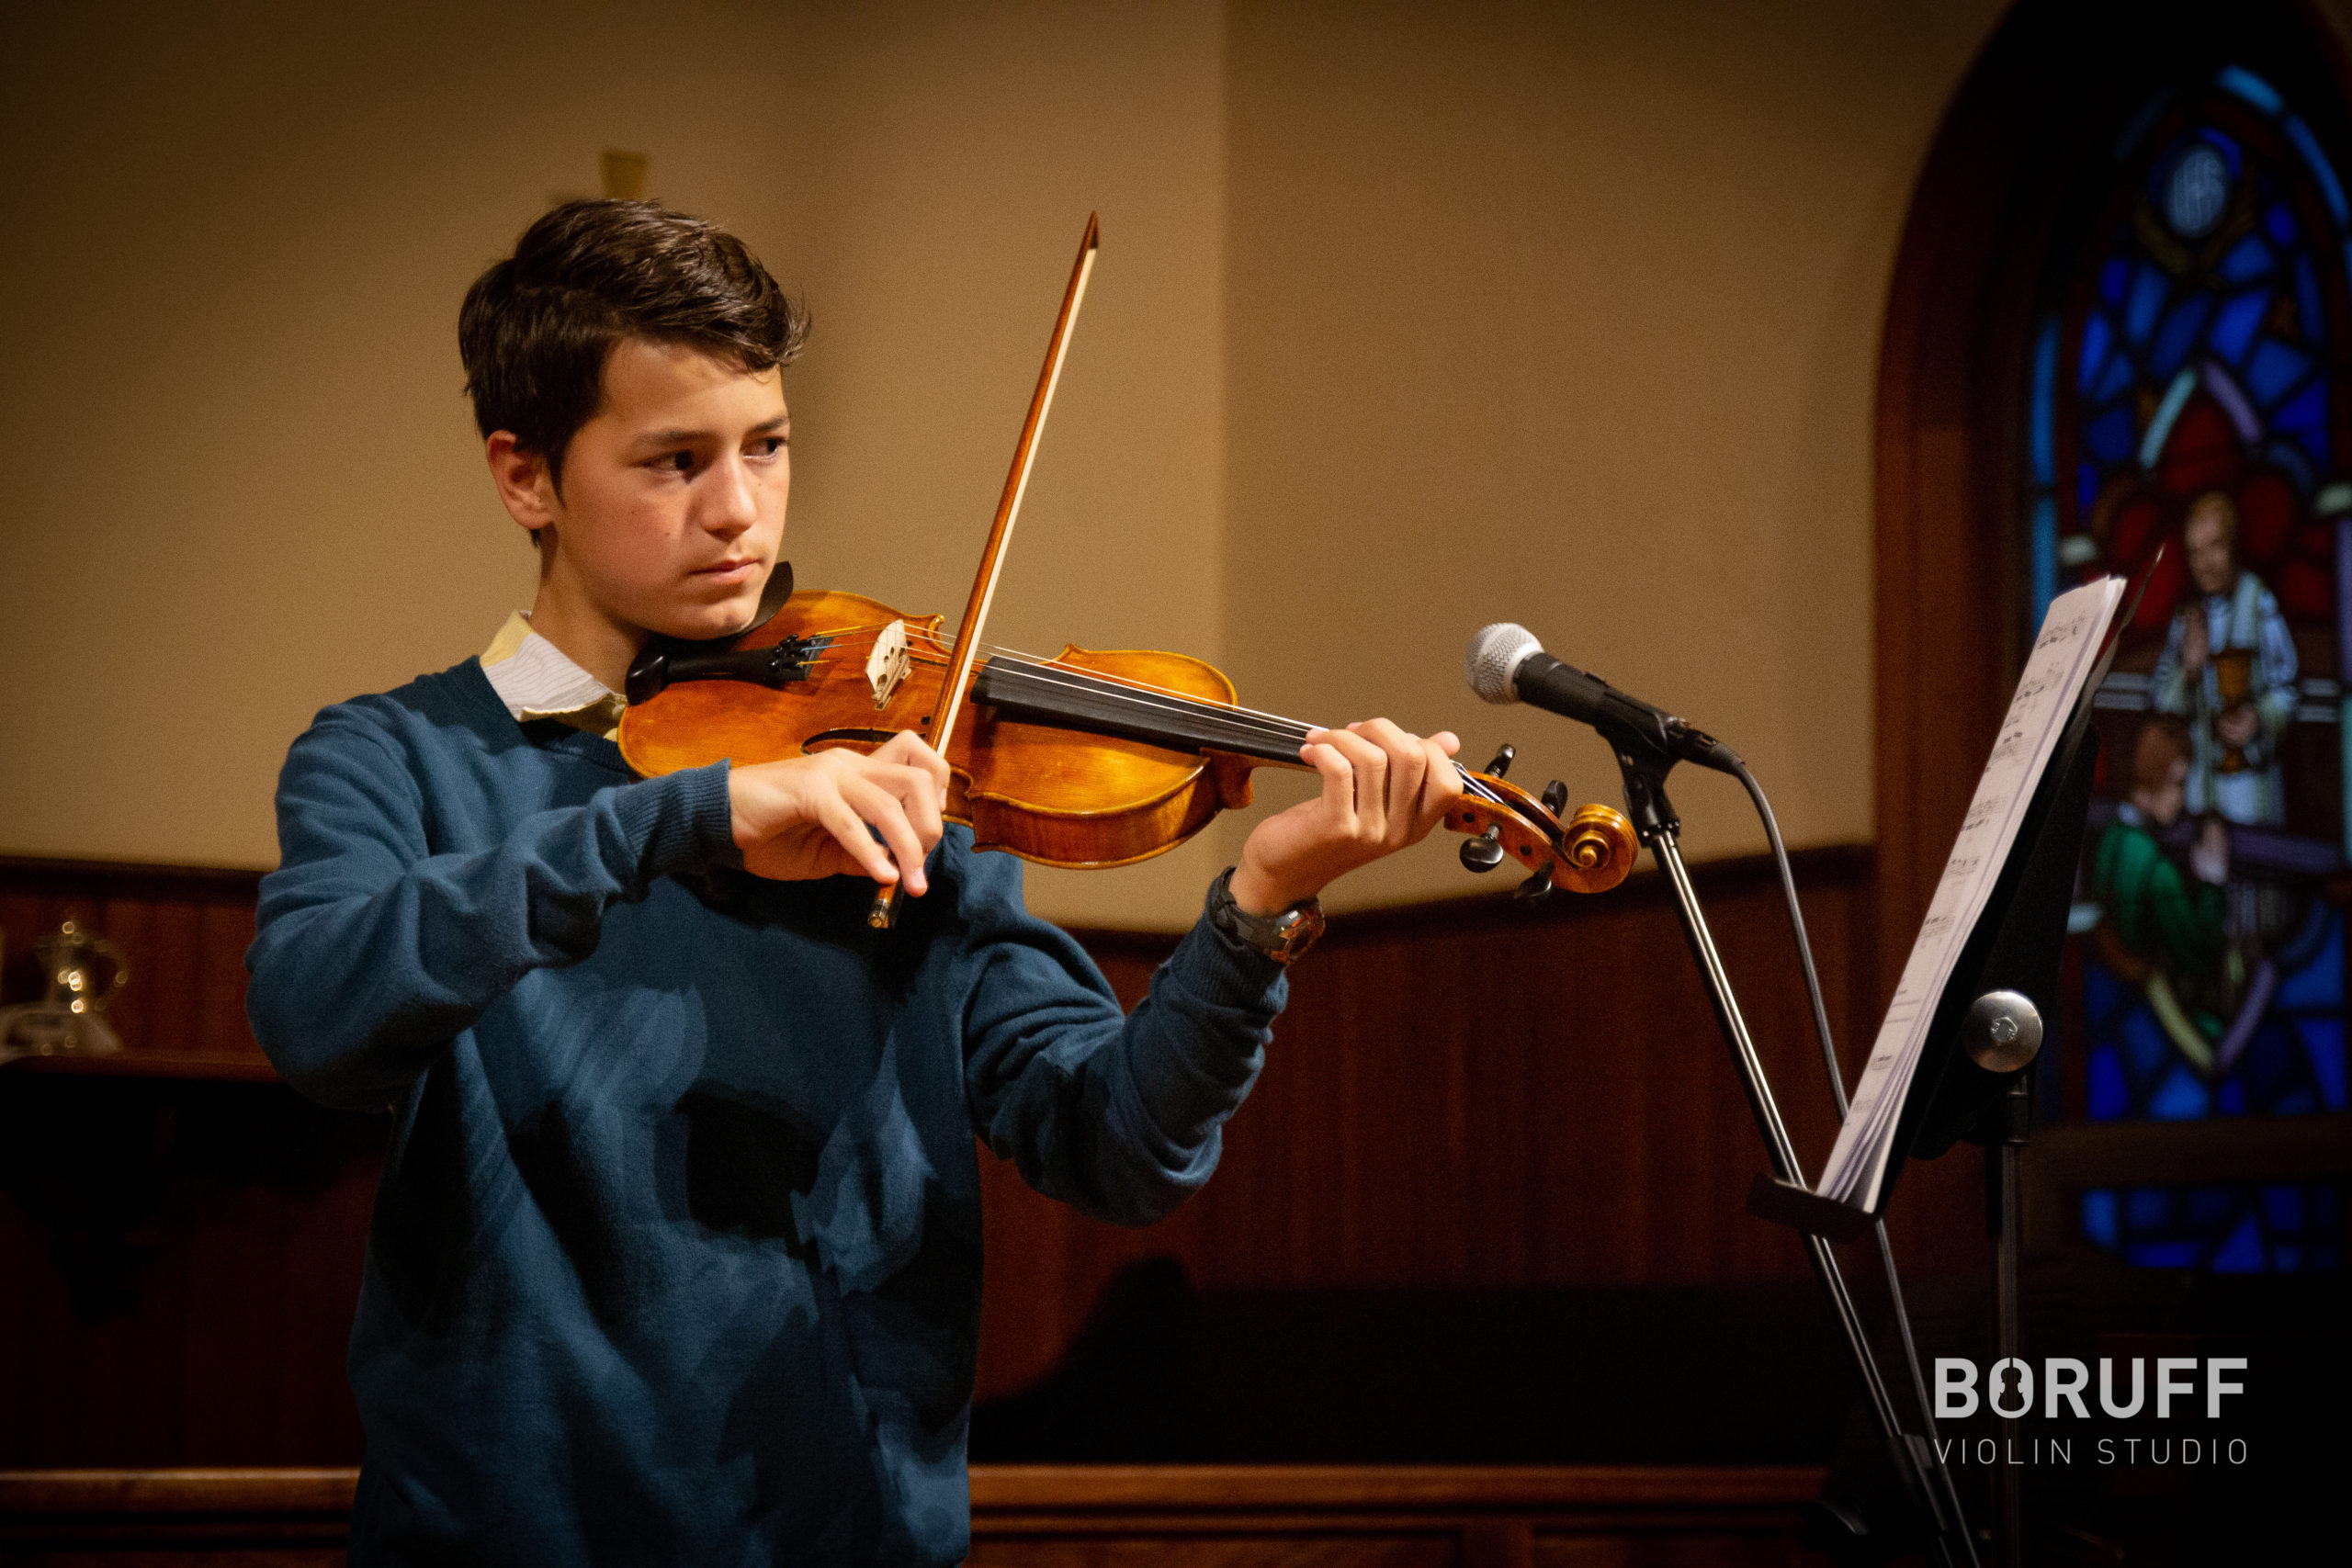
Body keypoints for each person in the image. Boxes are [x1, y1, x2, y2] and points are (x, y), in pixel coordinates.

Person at [243, 199, 1464, 1565]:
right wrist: (681, 820)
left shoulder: (891, 768)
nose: (740, 509)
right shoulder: (394, 757)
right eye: (673, 460)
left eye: (766, 445)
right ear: (526, 477)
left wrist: (1255, 910)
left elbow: (1116, 1147)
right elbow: (316, 1016)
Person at [2151, 490, 2298, 828]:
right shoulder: (2186, 617)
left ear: (2233, 544)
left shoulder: (2259, 602)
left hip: (2250, 785)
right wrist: (2188, 670)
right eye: (2195, 552)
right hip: (2197, 787)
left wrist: (2258, 718)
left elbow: (2288, 687)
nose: (2205, 563)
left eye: (2215, 545)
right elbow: (2161, 702)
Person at [2091, 715, 2230, 1072]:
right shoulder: (2158, 870)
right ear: (2149, 781)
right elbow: (2199, 956)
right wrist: (2212, 883)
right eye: (2177, 784)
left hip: (2116, 1008)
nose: (2181, 799)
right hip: (2156, 1021)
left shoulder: (2113, 840)